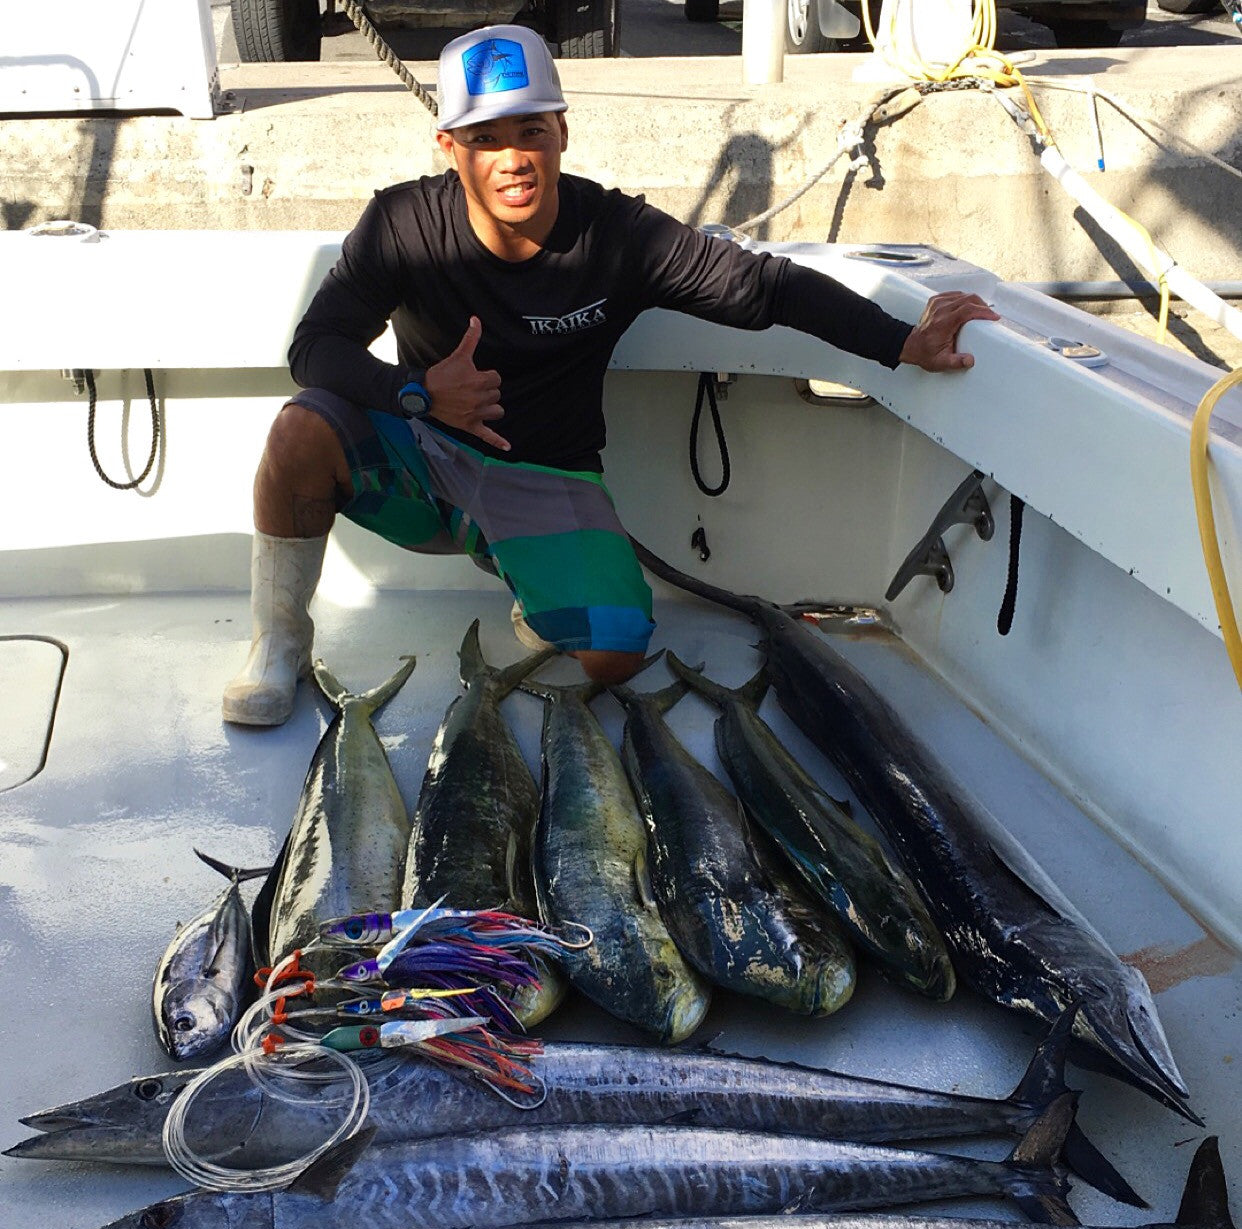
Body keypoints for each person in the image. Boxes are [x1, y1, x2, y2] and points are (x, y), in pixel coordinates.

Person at [222, 23, 998, 727]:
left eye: (531, 129)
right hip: (427, 455)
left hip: (545, 472)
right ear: (449, 146)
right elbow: (315, 348)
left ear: (561, 131)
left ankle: (528, 573)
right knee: (300, 429)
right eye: (485, 138)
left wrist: (903, 341)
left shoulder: (617, 235)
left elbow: (767, 287)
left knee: (617, 656)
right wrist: (418, 394)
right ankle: (277, 640)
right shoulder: (402, 225)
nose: (513, 158)